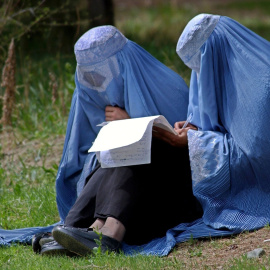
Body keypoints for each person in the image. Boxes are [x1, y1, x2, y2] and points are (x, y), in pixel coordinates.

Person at [31, 25, 203, 256]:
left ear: (123, 63)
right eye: (90, 77)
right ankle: (76, 230)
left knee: (136, 145)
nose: (98, 84)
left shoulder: (169, 86)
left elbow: (187, 152)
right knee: (111, 156)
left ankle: (110, 235)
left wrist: (131, 122)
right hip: (128, 206)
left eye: (103, 73)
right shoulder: (91, 98)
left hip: (168, 200)